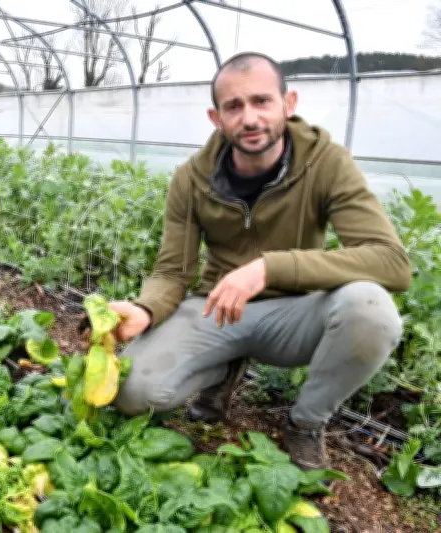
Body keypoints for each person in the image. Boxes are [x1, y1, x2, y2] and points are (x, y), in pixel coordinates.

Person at [105, 52, 412, 471]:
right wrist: (145, 308)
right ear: (216, 118)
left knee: (371, 309)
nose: (250, 118)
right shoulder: (191, 179)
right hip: (216, 309)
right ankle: (220, 370)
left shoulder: (326, 163)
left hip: (293, 315)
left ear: (289, 104)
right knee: (132, 394)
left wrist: (271, 267)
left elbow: (392, 261)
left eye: (262, 101)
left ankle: (306, 422)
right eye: (234, 106)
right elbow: (173, 270)